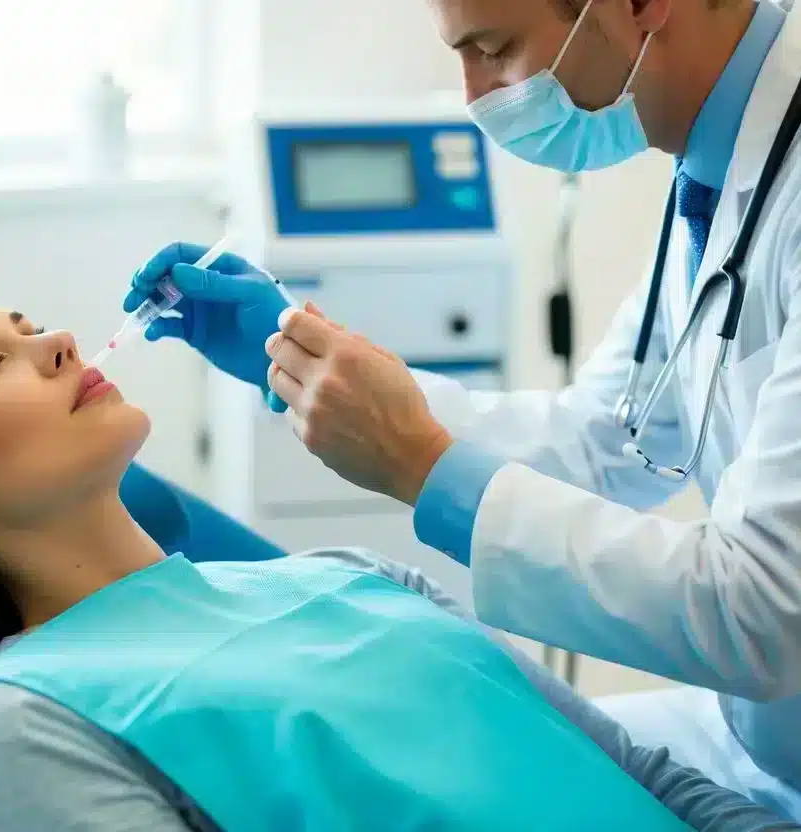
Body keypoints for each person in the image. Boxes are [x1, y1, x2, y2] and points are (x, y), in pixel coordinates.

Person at [0, 278, 800, 831]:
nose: (56, 344)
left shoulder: (352, 577)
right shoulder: (10, 727)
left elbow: (651, 782)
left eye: (30, 324)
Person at [125, 0, 801, 818]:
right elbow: (606, 437)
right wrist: (295, 354)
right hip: (757, 737)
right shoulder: (718, 167)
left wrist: (421, 466)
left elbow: (761, 613)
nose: (475, 97)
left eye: (494, 48)